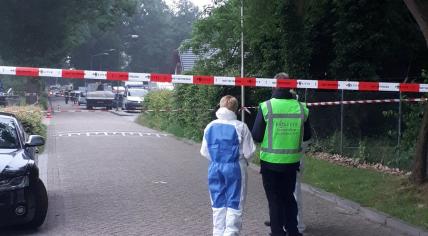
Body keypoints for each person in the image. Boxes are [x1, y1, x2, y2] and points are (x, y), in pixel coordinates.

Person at [251, 73, 311, 236]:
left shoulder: (266, 106)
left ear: (273, 86)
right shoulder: (301, 107)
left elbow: (256, 135)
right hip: (292, 162)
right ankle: (293, 230)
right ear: (291, 86)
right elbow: (307, 136)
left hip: (270, 163)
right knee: (289, 197)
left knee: (274, 200)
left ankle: (277, 232)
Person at [201, 95, 256, 236]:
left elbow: (205, 151)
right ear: (236, 109)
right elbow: (249, 152)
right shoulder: (240, 126)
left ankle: (218, 232)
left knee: (217, 202)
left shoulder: (210, 126)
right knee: (235, 203)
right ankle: (231, 233)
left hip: (215, 167)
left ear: (220, 106)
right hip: (235, 168)